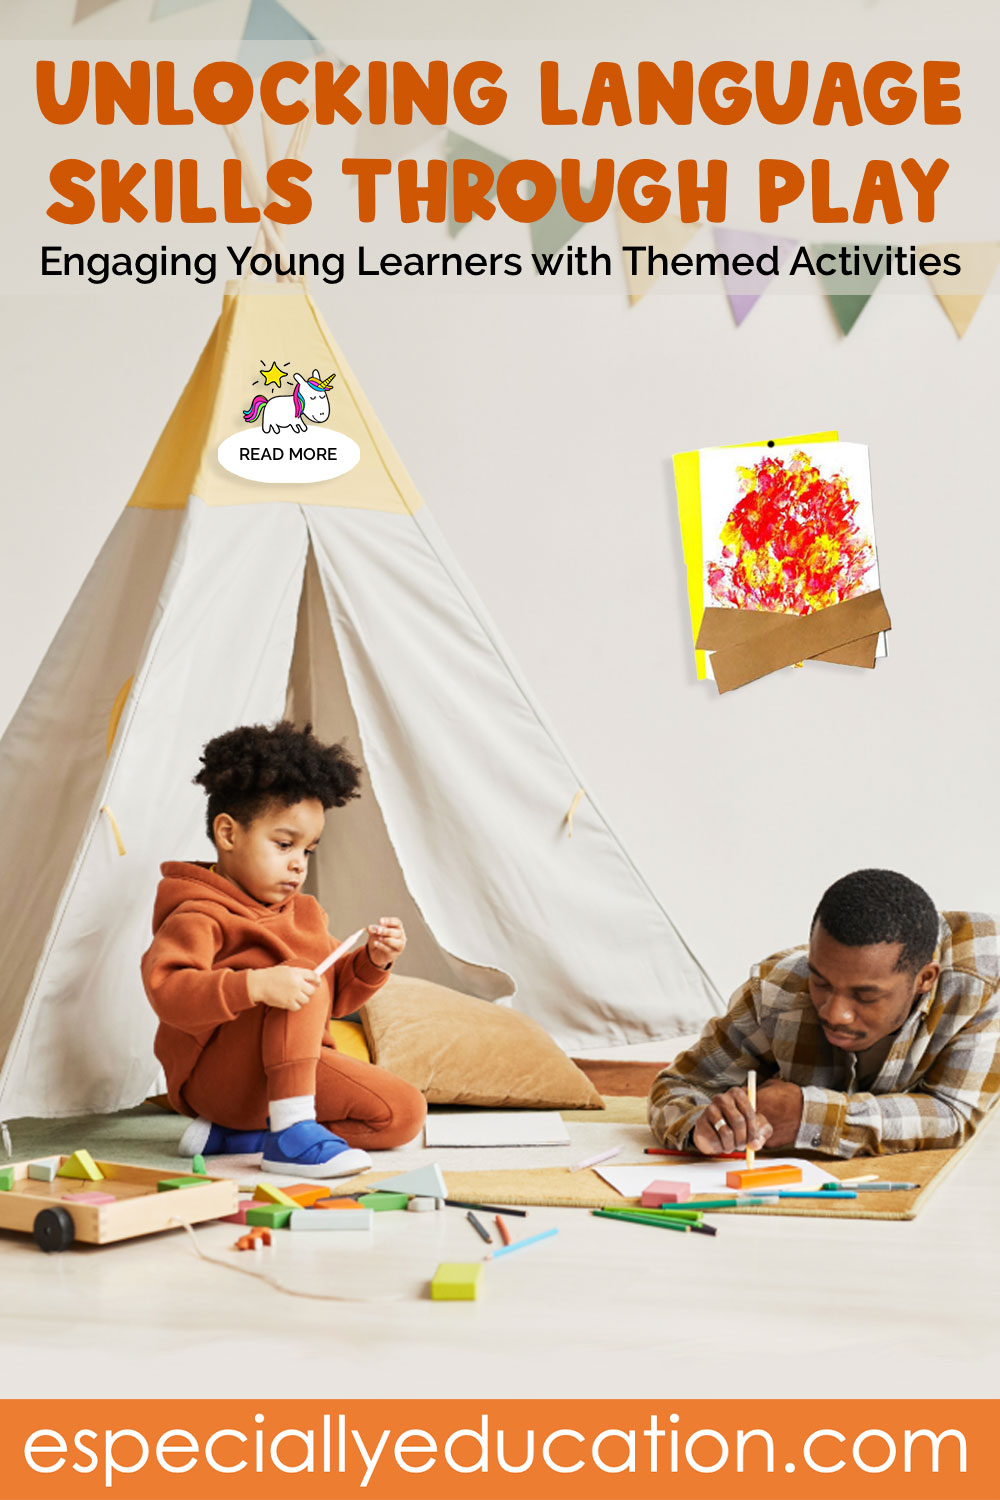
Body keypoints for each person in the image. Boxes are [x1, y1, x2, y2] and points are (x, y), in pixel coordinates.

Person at [141, 721, 427, 1178]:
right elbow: (169, 991)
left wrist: (373, 961)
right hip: (219, 1080)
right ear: (228, 834)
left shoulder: (305, 913)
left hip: (286, 1073)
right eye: (284, 844)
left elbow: (334, 996)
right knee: (295, 973)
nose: (298, 863)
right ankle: (291, 1135)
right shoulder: (197, 912)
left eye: (309, 850)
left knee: (403, 1114)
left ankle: (239, 1137)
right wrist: (254, 985)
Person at [649, 869, 1000, 1158]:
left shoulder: (983, 975)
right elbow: (679, 1085)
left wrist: (809, 1115)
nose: (836, 1014)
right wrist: (702, 1126)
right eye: (822, 983)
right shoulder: (777, 990)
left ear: (925, 978)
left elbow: (955, 1114)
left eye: (865, 995)